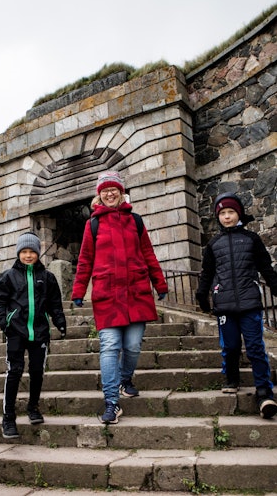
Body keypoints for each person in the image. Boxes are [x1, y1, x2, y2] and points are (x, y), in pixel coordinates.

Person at [71, 171, 168, 424]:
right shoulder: (92, 224)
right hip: (107, 296)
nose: (110, 193)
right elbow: (85, 261)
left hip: (136, 293)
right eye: (105, 190)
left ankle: (126, 379)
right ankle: (112, 402)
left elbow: (148, 254)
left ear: (121, 192)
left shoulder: (135, 221)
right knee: (110, 346)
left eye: (114, 189)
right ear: (99, 195)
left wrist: (160, 283)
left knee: (133, 346)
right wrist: (79, 291)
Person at [196, 192, 277, 419]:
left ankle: (264, 393)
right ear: (218, 216)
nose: (227, 217)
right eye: (222, 213)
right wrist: (202, 296)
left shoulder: (251, 239)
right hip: (224, 306)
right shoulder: (213, 244)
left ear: (238, 214)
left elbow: (266, 268)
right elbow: (207, 273)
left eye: (231, 212)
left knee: (255, 348)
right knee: (230, 346)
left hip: (250, 302)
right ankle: (231, 377)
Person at [0, 232, 67, 439]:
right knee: (14, 372)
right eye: (24, 252)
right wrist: (4, 322)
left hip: (40, 332)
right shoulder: (8, 276)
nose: (28, 255)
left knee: (37, 372)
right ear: (18, 254)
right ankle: (8, 417)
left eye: (31, 252)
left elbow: (55, 304)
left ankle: (33, 407)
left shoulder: (48, 278)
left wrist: (60, 322)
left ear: (38, 253)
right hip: (16, 331)